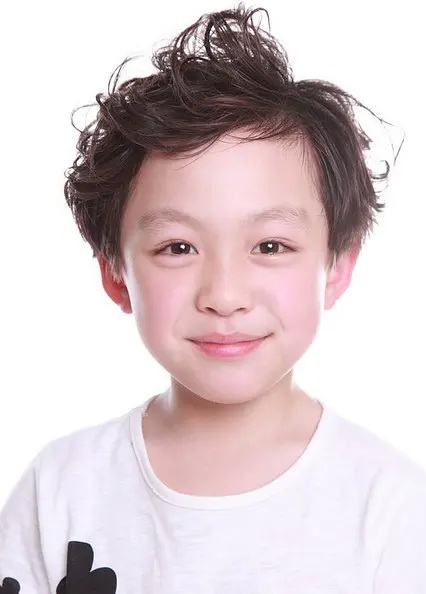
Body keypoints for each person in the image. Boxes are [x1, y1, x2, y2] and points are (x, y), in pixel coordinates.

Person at [0, 3, 423, 593]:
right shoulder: (61, 489)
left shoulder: (392, 510)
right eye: (177, 247)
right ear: (116, 274)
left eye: (270, 245)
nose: (224, 296)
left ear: (337, 266)